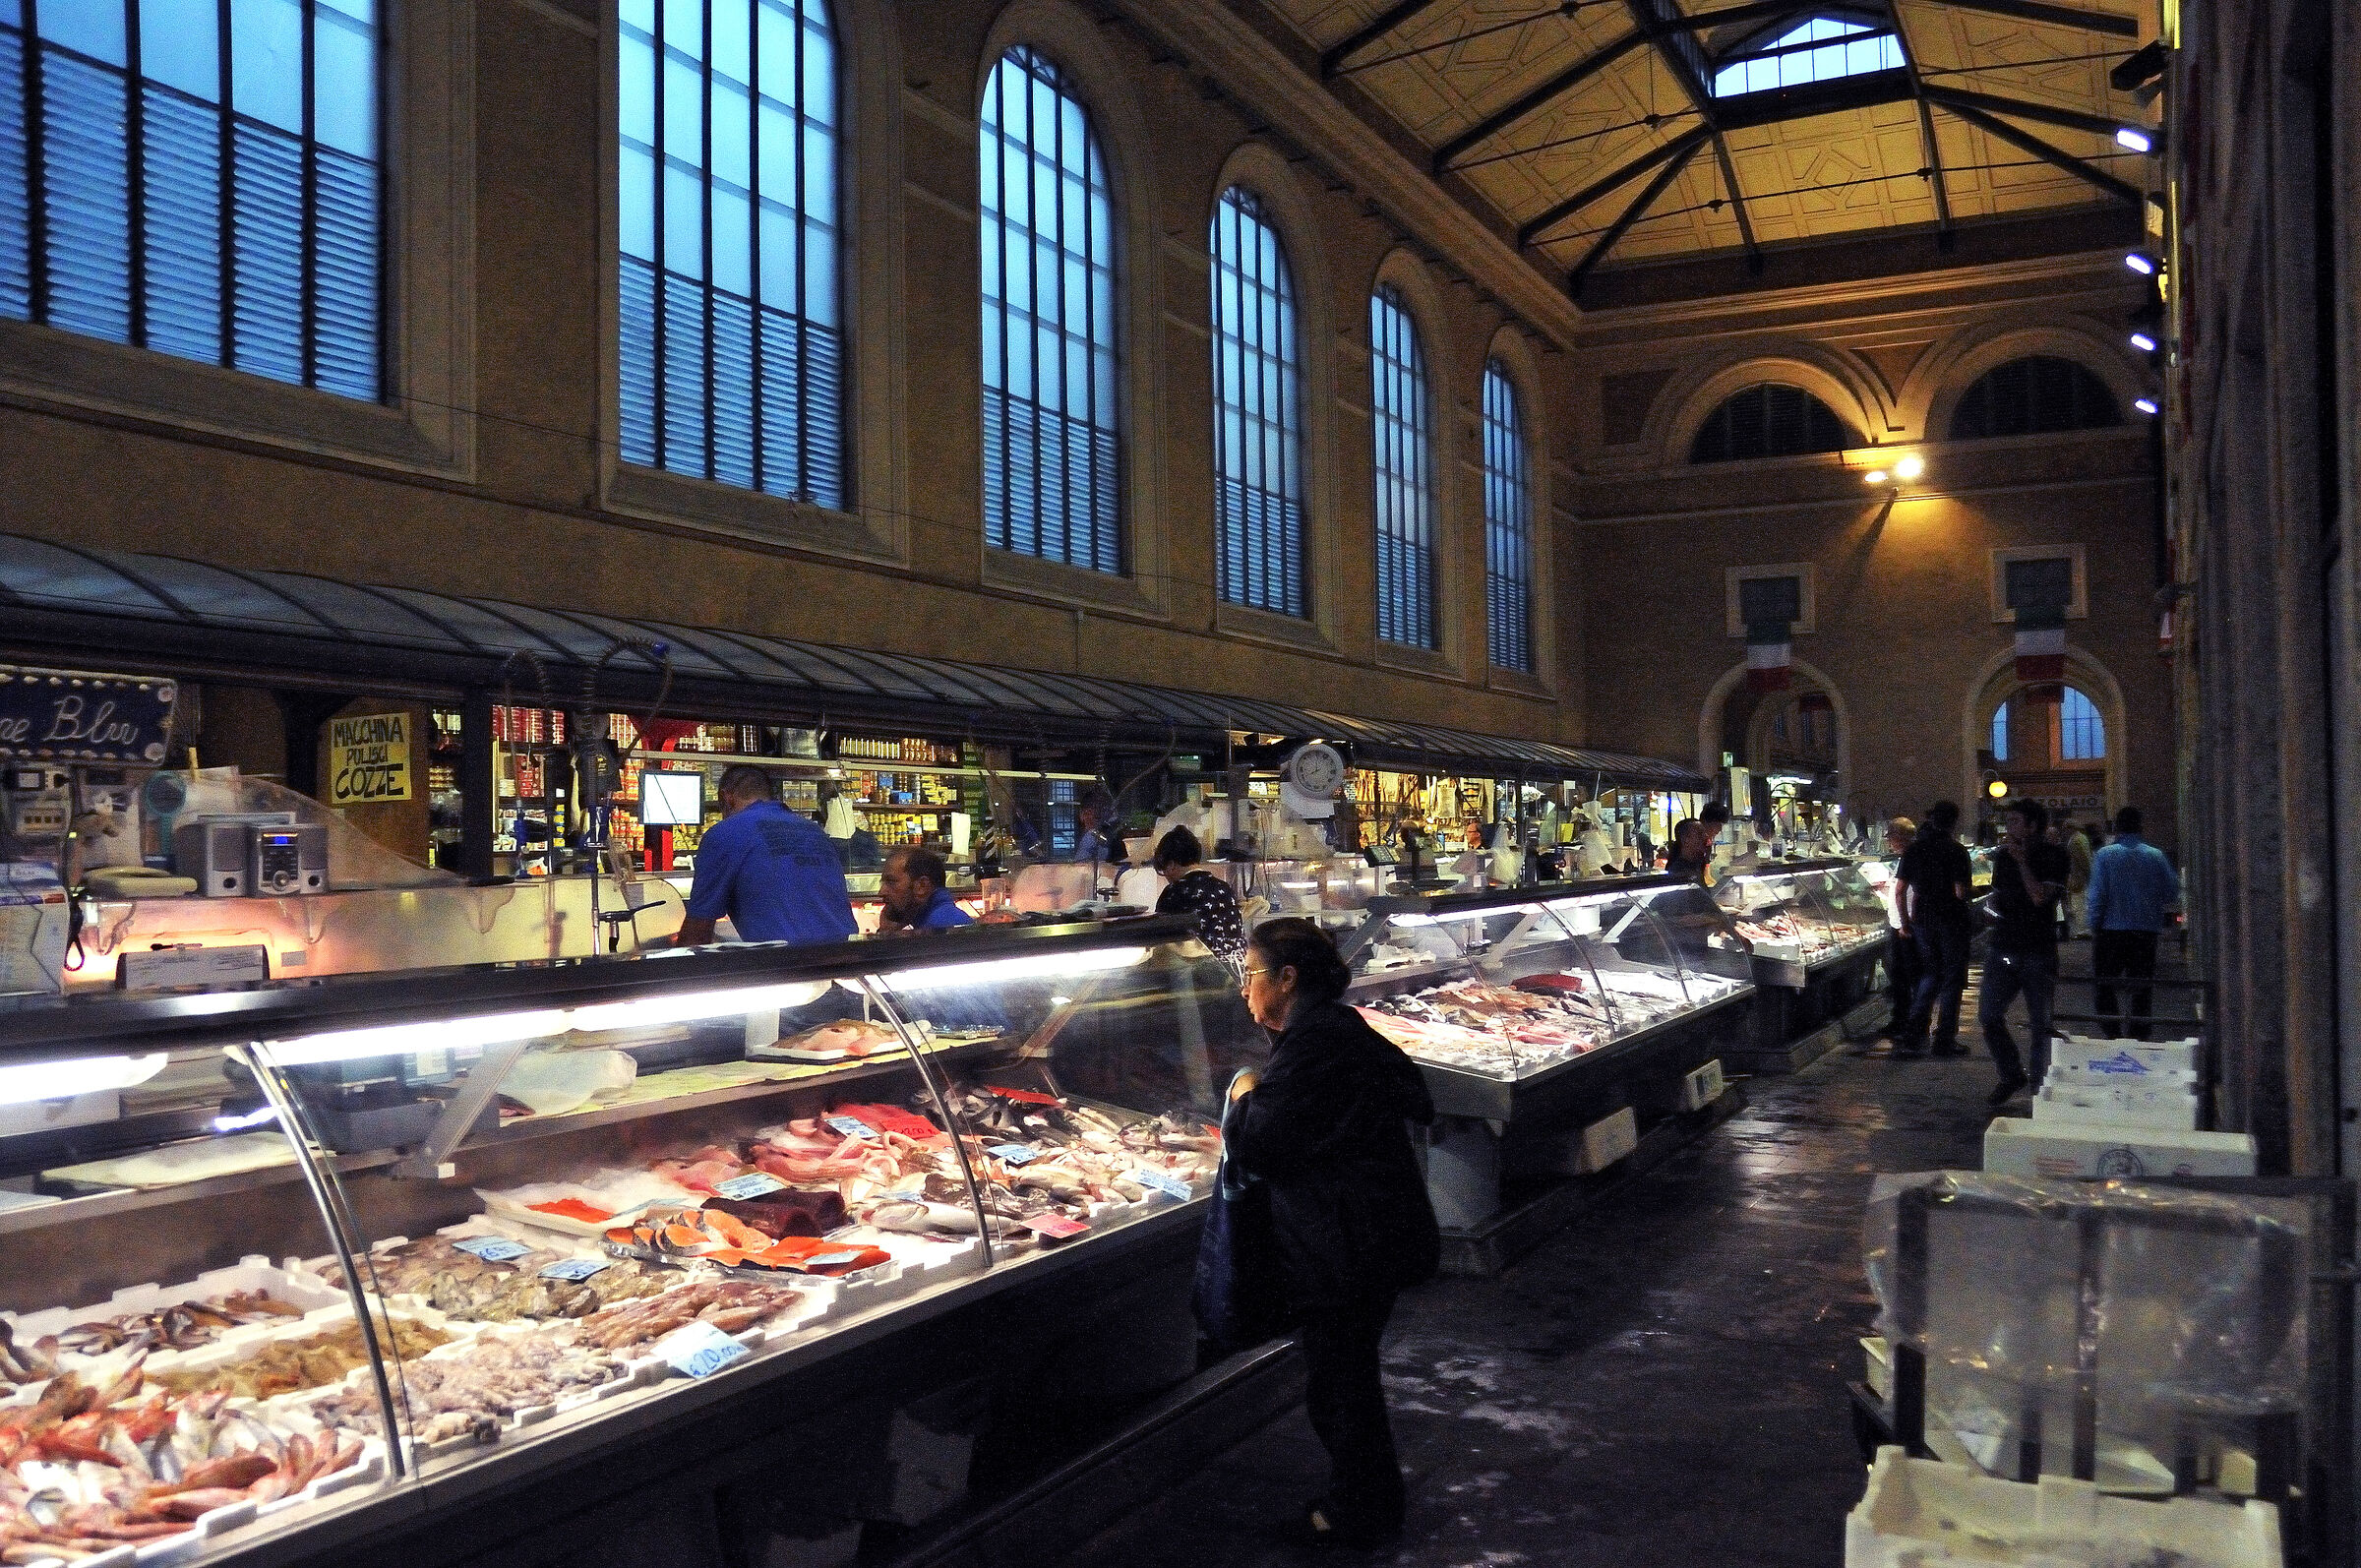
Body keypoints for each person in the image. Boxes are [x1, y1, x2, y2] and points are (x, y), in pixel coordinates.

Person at [1222, 919, 1438, 1545]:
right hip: (1373, 1234)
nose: (1244, 990)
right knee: (1347, 1377)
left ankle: (1360, 1516)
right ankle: (1366, 1500)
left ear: (1287, 980)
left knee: (1341, 1385)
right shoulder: (1339, 1030)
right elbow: (1408, 1094)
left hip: (1345, 1243)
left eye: (1252, 975)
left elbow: (1264, 1144)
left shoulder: (1314, 1044)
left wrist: (1243, 1097)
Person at [674, 765, 858, 946]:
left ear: (726, 798)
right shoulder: (815, 831)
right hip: (849, 957)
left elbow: (696, 936)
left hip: (784, 965)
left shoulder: (723, 833)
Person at [1979, 799, 2070, 1104]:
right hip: (2002, 946)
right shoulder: (2004, 857)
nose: (2009, 828)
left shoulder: (2055, 856)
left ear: (2033, 826)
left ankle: (2038, 1094)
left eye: (2016, 822)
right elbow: (1999, 894)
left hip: (2037, 951)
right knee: (1989, 1016)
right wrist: (1991, 907)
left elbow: (2040, 898)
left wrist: (2021, 862)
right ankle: (2011, 1074)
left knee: (2040, 1025)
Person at [2087, 806, 2181, 1039]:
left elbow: (2097, 895)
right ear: (2141, 826)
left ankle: (2114, 1035)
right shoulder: (2155, 856)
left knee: (2104, 987)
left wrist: (2094, 923)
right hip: (2145, 931)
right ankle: (2139, 1036)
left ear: (2117, 828)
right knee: (2141, 990)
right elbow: (2171, 892)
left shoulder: (2105, 856)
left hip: (2111, 931)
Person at [1894, 801, 1973, 1058]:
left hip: (1923, 921)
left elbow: (1900, 890)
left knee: (1929, 975)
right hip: (1951, 920)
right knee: (1952, 980)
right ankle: (1944, 1040)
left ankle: (1914, 1035)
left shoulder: (1914, 850)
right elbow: (1961, 892)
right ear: (1953, 823)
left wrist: (1905, 923)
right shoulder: (1957, 851)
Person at [1857, 816, 1918, 1053]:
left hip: (1905, 926)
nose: (1888, 842)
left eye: (1890, 836)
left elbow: (1905, 892)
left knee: (1904, 977)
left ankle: (1905, 1022)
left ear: (1901, 836)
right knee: (1900, 976)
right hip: (1900, 924)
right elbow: (1901, 889)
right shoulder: (1906, 858)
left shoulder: (1910, 857)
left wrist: (1905, 923)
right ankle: (1902, 1020)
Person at [1151, 826, 1246, 968]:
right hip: (1236, 969)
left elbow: (1162, 943)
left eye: (1163, 870)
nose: (1166, 876)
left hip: (1198, 974)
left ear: (1170, 865)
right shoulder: (1224, 887)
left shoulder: (1175, 892)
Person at [878, 845, 973, 933]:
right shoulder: (931, 920)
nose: (881, 892)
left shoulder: (938, 928)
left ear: (922, 886)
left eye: (891, 882)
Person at [2063, 817, 2094, 938]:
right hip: (2081, 875)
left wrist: (2087, 872)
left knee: (2078, 903)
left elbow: (2082, 859)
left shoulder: (2075, 841)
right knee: (2081, 902)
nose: (2064, 831)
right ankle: (2084, 928)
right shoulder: (2082, 838)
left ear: (2071, 828)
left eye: (2066, 828)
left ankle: (2083, 930)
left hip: (2078, 876)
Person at [1664, 817, 1712, 883]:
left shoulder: (1698, 863)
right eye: (1700, 833)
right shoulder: (1679, 872)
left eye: (1705, 833)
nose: (1706, 836)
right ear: (1685, 839)